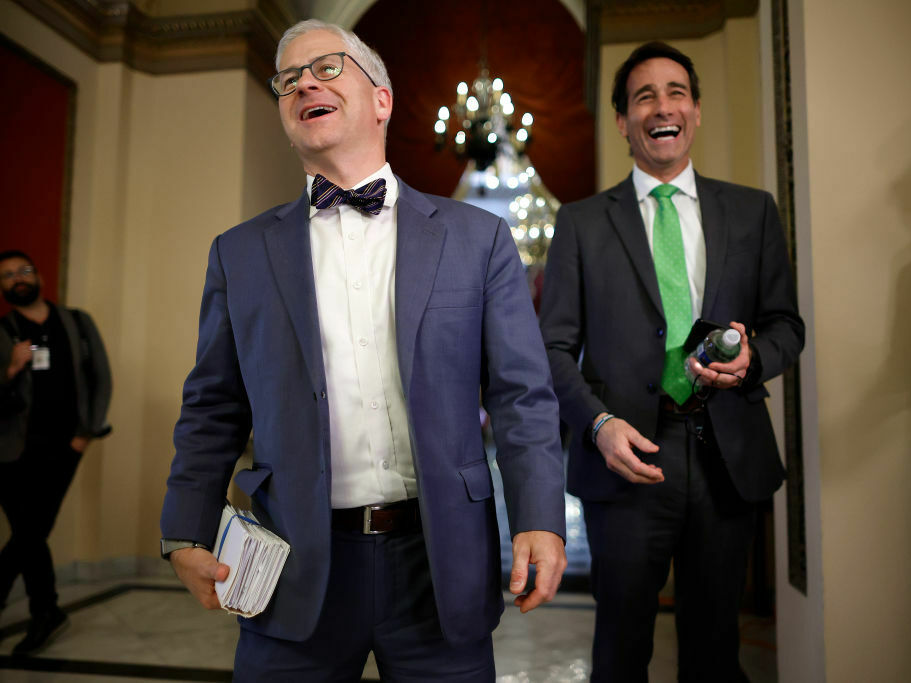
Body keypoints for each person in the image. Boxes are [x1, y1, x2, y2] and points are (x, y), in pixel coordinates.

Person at [160, 19, 567, 681]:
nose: (302, 85)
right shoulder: (239, 253)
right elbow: (212, 405)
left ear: (381, 98)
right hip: (291, 562)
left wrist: (540, 516)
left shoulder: (477, 239)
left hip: (438, 562)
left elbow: (522, 395)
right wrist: (185, 529)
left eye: (324, 67)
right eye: (287, 79)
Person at [539, 42, 805, 682]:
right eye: (644, 97)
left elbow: (786, 328)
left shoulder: (752, 211)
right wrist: (599, 427)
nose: (663, 106)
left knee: (716, 651)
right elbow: (550, 349)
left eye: (676, 92)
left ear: (697, 111)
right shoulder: (579, 223)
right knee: (621, 650)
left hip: (727, 457)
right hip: (626, 459)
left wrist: (750, 363)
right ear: (624, 120)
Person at [0, 250, 112, 655]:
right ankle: (46, 612)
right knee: (32, 536)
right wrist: (10, 370)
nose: (17, 279)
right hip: (10, 453)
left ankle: (45, 612)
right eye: (8, 275)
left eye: (23, 270)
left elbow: (102, 376)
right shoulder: (3, 331)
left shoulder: (77, 323)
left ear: (39, 276)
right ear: (3, 287)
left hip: (65, 447)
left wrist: (87, 432)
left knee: (29, 533)